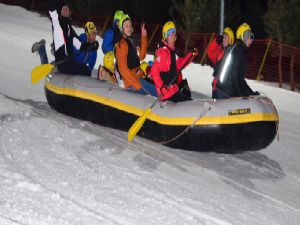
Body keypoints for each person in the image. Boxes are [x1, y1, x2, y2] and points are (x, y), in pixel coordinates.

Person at [150, 21, 198, 102]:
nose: (173, 37)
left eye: (174, 35)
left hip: (173, 91)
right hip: (166, 94)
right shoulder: (163, 52)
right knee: (189, 103)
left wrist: (191, 55)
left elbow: (180, 64)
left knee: (189, 100)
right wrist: (161, 88)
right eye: (170, 35)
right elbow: (154, 71)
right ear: (165, 36)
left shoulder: (171, 52)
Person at [48, 0, 98, 76]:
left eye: (67, 9)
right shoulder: (57, 23)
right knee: (86, 71)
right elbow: (52, 10)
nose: (66, 10)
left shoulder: (70, 29)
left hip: (69, 61)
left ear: (69, 13)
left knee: (85, 69)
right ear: (60, 12)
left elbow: (79, 44)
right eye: (63, 9)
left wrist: (93, 46)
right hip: (62, 63)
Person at [115, 14, 157, 97]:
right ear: (121, 28)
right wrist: (137, 84)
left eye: (130, 25)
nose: (129, 28)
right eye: (126, 26)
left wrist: (144, 38)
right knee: (156, 91)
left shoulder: (130, 42)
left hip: (139, 77)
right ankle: (166, 98)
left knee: (155, 84)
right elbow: (123, 69)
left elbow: (141, 56)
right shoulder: (120, 46)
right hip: (131, 83)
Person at [214, 23, 259, 99]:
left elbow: (240, 79)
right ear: (242, 36)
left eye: (252, 37)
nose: (251, 39)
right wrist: (242, 95)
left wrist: (251, 93)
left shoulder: (239, 49)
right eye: (248, 35)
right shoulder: (238, 50)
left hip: (225, 90)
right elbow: (235, 76)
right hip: (225, 92)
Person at [206, 27, 234, 98]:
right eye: (223, 36)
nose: (223, 38)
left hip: (225, 90)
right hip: (216, 88)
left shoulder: (233, 53)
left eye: (226, 36)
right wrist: (216, 41)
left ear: (230, 39)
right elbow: (209, 52)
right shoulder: (220, 51)